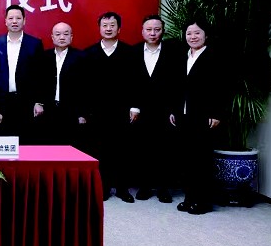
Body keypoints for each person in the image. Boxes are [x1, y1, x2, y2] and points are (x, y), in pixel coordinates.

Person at [169, 19, 226, 215]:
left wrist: (216, 113)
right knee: (187, 159)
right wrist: (174, 110)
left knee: (201, 160)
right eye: (189, 33)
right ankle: (189, 198)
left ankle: (202, 202)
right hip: (184, 115)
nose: (192, 37)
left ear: (206, 35)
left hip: (204, 116)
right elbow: (177, 86)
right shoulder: (183, 56)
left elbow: (221, 88)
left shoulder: (214, 56)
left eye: (197, 33)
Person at [83, 11, 138, 203]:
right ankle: (104, 187)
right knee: (99, 148)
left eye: (112, 25)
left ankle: (122, 188)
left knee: (122, 149)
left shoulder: (130, 52)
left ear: (119, 28)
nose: (108, 29)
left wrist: (135, 107)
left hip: (121, 110)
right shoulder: (89, 53)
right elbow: (84, 85)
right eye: (104, 25)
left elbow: (136, 82)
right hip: (96, 111)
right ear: (99, 28)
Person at [130, 15, 182, 203]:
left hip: (165, 110)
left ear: (163, 31)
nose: (153, 33)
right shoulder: (133, 51)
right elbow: (129, 82)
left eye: (157, 29)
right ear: (142, 31)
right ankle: (144, 186)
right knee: (143, 148)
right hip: (141, 109)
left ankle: (163, 188)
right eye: (149, 29)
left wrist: (174, 109)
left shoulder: (174, 52)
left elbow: (179, 82)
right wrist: (134, 106)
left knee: (165, 150)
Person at [0, 5, 45, 141]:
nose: (14, 21)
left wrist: (39, 102)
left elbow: (40, 75)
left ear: (24, 20)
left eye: (18, 18)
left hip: (26, 101)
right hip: (2, 100)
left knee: (25, 141)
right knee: (3, 140)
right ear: (5, 21)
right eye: (11, 18)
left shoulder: (35, 44)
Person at [37, 22, 88, 146]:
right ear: (52, 37)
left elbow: (86, 88)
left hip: (71, 112)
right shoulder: (44, 57)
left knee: (70, 148)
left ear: (71, 37)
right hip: (48, 111)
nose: (62, 37)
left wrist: (83, 113)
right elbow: (37, 83)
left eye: (66, 34)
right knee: (49, 148)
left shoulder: (81, 57)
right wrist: (38, 103)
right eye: (58, 34)